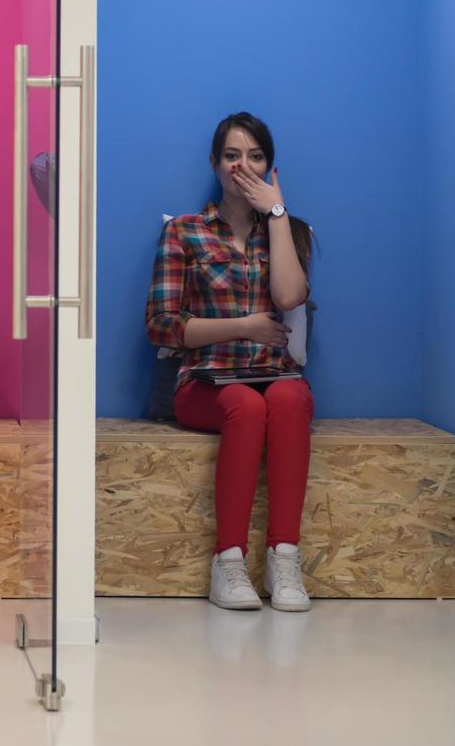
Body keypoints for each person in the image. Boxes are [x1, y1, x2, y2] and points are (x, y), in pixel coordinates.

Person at [145, 112, 314, 612]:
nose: (244, 166)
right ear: (216, 165)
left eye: (255, 156)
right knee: (244, 403)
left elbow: (289, 296)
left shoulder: (286, 230)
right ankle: (230, 563)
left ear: (270, 167)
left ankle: (284, 558)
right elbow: (162, 325)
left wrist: (278, 213)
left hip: (272, 375)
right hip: (205, 383)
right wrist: (244, 326)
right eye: (232, 155)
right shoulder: (185, 232)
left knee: (289, 394)